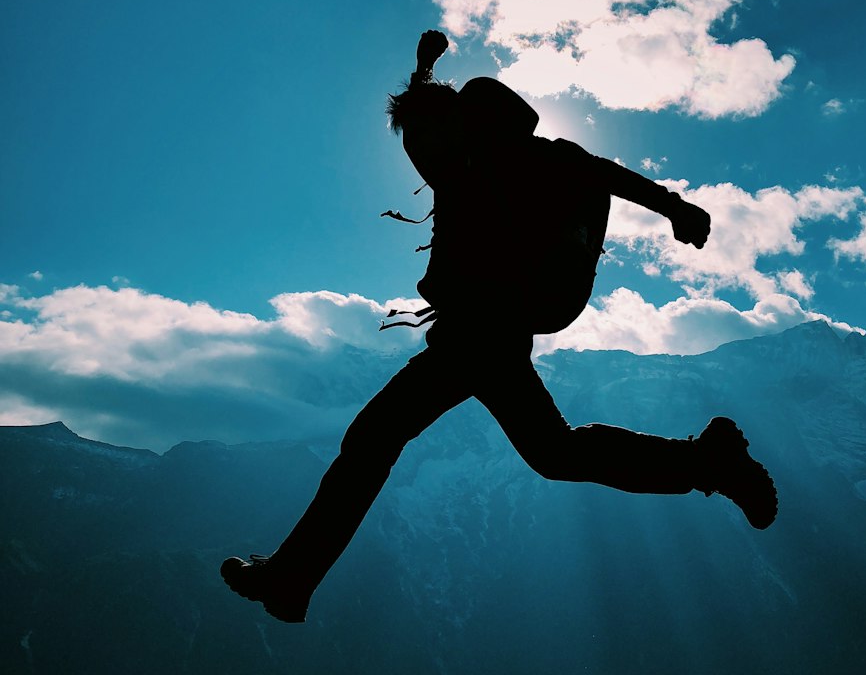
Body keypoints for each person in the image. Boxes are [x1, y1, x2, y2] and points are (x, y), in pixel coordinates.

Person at [222, 32, 777, 622]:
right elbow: (433, 124)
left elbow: (606, 173)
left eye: (423, 138)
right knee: (553, 453)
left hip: (480, 335)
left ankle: (292, 578)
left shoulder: (519, 160)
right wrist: (421, 70)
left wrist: (676, 208)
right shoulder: (460, 166)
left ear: (460, 125)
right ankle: (708, 462)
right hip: (483, 335)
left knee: (374, 440)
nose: (417, 154)